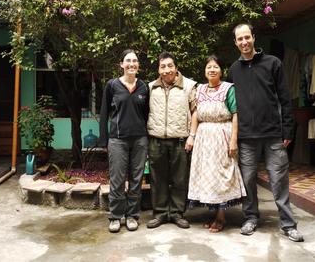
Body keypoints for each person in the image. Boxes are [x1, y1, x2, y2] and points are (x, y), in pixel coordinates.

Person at [228, 23, 304, 242]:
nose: (244, 42)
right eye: (239, 39)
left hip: (273, 135)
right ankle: (251, 217)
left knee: (279, 180)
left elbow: (285, 98)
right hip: (246, 137)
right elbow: (232, 106)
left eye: (247, 37)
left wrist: (288, 129)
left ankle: (288, 224)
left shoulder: (273, 63)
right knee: (248, 179)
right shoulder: (234, 69)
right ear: (236, 42)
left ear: (253, 37)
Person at [185, 55, 246, 233]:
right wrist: (192, 136)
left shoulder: (229, 89)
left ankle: (221, 217)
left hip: (222, 136)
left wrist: (234, 140)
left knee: (221, 175)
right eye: (209, 67)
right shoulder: (200, 89)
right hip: (204, 139)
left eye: (215, 67)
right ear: (205, 71)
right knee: (207, 176)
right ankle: (214, 214)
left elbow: (235, 114)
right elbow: (195, 114)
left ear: (221, 70)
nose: (212, 70)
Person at [100, 49, 149, 233]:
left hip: (140, 141)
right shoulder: (112, 86)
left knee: (136, 180)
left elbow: (146, 115)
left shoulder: (143, 87)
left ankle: (132, 216)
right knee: (117, 180)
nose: (131, 64)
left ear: (138, 65)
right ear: (121, 64)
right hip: (117, 140)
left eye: (135, 61)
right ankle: (115, 216)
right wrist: (104, 140)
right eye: (128, 61)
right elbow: (104, 113)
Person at [146, 51, 197, 229]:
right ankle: (160, 213)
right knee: (157, 177)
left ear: (176, 67)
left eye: (170, 66)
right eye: (162, 66)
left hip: (180, 140)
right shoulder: (151, 87)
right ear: (158, 69)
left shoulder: (189, 86)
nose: (166, 70)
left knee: (180, 178)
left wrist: (192, 135)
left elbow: (195, 111)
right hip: (156, 139)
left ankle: (176, 213)